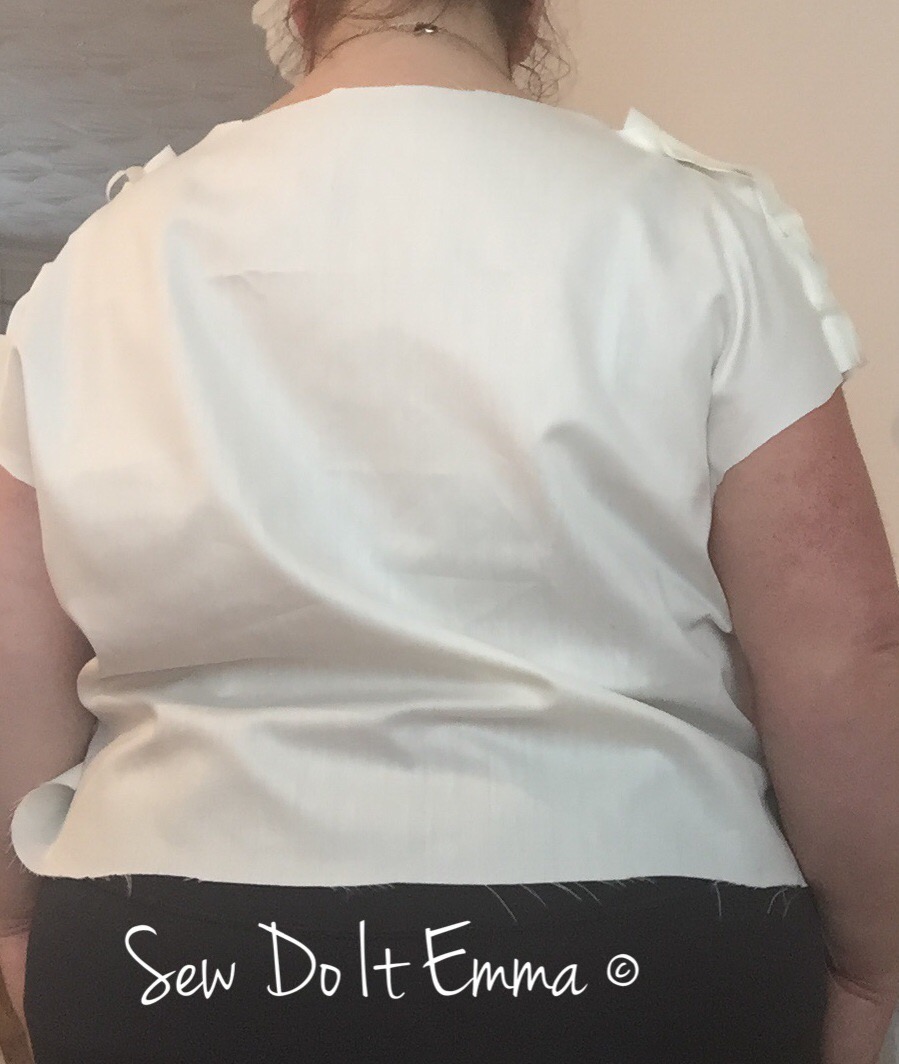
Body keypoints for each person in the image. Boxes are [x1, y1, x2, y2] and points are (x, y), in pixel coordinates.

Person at [0, 0, 897, 1061]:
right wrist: (868, 962)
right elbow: (843, 649)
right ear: (529, 16)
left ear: (297, 12)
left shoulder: (97, 265)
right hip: (640, 950)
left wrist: (17, 924)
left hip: (166, 955)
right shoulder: (696, 226)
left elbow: (15, 655)